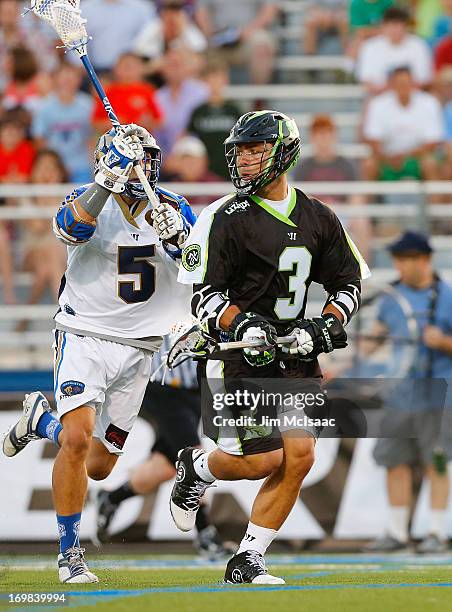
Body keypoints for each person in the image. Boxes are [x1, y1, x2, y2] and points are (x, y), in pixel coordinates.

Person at [170, 110, 370, 584]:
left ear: (283, 151)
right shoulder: (223, 216)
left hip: (296, 357)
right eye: (239, 150)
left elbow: (349, 283)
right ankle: (197, 468)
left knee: (299, 455)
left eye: (255, 149)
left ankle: (248, 558)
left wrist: (325, 324)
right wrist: (244, 324)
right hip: (237, 354)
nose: (244, 159)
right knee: (257, 461)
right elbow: (203, 294)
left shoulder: (319, 216)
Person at [2, 124, 196, 584]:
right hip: (84, 333)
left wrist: (180, 239)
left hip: (142, 348)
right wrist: (105, 183)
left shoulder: (174, 207)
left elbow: (199, 271)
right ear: (110, 162)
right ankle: (70, 553)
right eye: (134, 158)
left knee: (100, 464)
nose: (142, 167)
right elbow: (69, 230)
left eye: (148, 158)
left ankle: (38, 421)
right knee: (76, 438)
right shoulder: (87, 196)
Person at [94, 336, 233, 559]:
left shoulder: (206, 302)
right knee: (195, 458)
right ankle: (206, 534)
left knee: (165, 467)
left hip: (194, 389)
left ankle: (112, 498)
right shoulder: (170, 302)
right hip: (163, 385)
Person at [366, 231, 452, 553]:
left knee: (438, 461)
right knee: (394, 460)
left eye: (406, 259)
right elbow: (376, 337)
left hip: (440, 391)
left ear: (425, 260)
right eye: (397, 260)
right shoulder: (392, 297)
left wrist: (442, 342)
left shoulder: (448, 296)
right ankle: (397, 532)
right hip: (401, 392)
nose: (400, 266)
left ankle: (436, 532)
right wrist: (348, 358)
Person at [293, 114, 371, 260]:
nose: (324, 139)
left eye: (327, 134)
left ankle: (361, 269)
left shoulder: (347, 164)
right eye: (319, 134)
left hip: (342, 212)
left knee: (361, 221)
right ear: (312, 137)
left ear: (334, 136)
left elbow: (356, 197)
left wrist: (342, 209)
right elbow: (300, 198)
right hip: (315, 214)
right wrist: (323, 208)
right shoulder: (303, 167)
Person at [16, 150, 68, 332]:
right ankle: (65, 315)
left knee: (47, 264)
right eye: (42, 168)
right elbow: (36, 227)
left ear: (60, 173)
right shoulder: (25, 197)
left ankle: (24, 319)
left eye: (52, 168)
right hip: (31, 253)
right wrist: (47, 200)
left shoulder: (68, 198)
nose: (47, 173)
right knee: (49, 252)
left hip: (58, 257)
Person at [362, 67, 444, 182]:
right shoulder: (378, 104)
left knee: (430, 164)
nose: (403, 87)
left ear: (413, 83)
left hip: (418, 158)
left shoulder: (429, 102)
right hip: (386, 159)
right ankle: (365, 199)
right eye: (399, 83)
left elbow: (432, 142)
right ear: (392, 84)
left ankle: (435, 199)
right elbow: (373, 140)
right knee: (369, 165)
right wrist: (388, 157)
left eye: (406, 83)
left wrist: (406, 156)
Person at [32, 63, 94, 183]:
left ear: (79, 80)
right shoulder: (44, 106)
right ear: (54, 79)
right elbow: (39, 139)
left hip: (82, 166)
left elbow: (92, 138)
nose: (67, 81)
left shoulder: (89, 105)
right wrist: (51, 165)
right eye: (63, 77)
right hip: (54, 168)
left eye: (71, 77)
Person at [194, 0, 278, 85]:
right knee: (196, 49)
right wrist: (210, 34)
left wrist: (247, 32)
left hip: (249, 36)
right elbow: (200, 11)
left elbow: (269, 10)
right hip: (216, 39)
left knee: (262, 45)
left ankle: (259, 95)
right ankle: (211, 94)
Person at [356, 7, 433, 95]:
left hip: (414, 97)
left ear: (406, 26)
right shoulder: (369, 47)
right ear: (383, 26)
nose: (396, 30)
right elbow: (366, 81)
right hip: (380, 97)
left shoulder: (419, 45)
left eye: (399, 25)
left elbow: (425, 80)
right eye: (391, 25)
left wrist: (402, 90)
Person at [187, 59, 241, 179]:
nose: (215, 83)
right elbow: (189, 137)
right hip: (205, 172)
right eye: (211, 79)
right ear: (205, 82)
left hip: (230, 169)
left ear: (225, 81)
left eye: (218, 78)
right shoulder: (198, 111)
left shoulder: (234, 110)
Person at [154, 47, 209, 157]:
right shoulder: (158, 97)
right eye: (171, 65)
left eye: (178, 64)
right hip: (165, 156)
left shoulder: (202, 92)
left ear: (188, 67)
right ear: (164, 69)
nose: (175, 69)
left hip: (196, 154)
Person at [92, 54, 163, 136]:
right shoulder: (107, 93)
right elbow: (95, 122)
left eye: (132, 67)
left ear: (141, 69)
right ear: (116, 69)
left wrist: (148, 123)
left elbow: (159, 121)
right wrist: (111, 123)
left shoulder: (147, 91)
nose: (128, 71)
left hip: (140, 141)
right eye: (125, 67)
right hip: (115, 141)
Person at [80, 0, 156, 74]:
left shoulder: (143, 7)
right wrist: (81, 67)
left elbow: (151, 41)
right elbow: (77, 41)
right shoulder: (85, 8)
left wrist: (144, 67)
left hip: (133, 72)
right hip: (94, 71)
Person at [133, 0, 207, 70]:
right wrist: (160, 63)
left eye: (175, 19)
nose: (172, 22)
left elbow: (201, 60)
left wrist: (180, 37)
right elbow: (139, 55)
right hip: (155, 76)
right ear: (162, 17)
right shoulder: (152, 29)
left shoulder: (189, 30)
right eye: (169, 20)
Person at [163, 136, 223, 206]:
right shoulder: (169, 190)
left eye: (194, 160)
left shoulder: (218, 185)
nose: (190, 165)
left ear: (204, 161)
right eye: (185, 160)